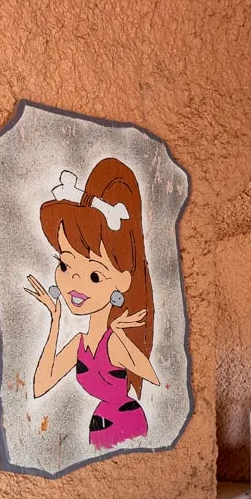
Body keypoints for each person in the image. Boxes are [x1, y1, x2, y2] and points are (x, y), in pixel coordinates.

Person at [25, 158, 159, 448]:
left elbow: (151, 376)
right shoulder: (80, 344)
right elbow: (40, 385)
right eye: (64, 265)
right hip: (100, 426)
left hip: (125, 423)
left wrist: (121, 335)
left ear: (122, 281)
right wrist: (55, 320)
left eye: (95, 275)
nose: (74, 283)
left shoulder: (113, 343)